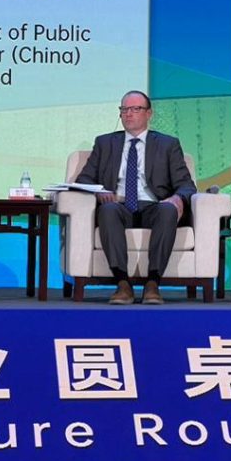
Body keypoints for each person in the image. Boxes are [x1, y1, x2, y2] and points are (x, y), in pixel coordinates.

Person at [75, 90, 196, 304]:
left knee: (168, 210)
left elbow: (186, 185)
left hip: (154, 206)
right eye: (124, 109)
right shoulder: (105, 143)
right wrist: (101, 190)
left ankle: (152, 283)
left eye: (135, 109)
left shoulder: (168, 144)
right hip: (118, 205)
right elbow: (84, 179)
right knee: (108, 210)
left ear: (149, 113)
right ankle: (122, 284)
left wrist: (178, 199)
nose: (128, 114)